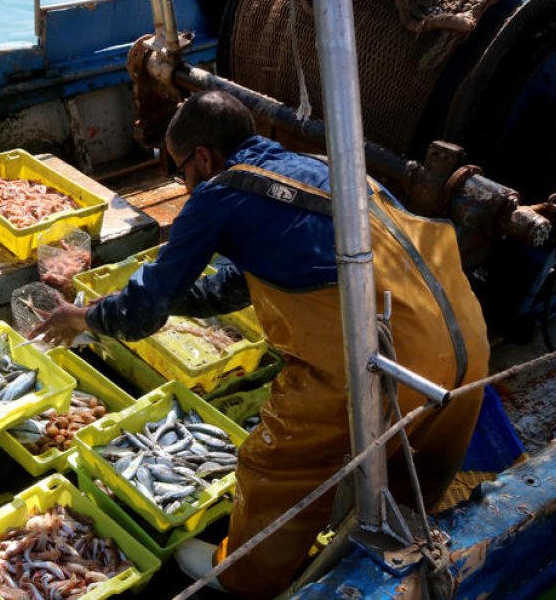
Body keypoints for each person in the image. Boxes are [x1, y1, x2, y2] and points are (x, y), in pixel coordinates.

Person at [34, 90, 488, 597]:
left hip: (385, 352)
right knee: (414, 468)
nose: (182, 184)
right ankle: (388, 560)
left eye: (177, 170)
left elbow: (141, 315)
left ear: (202, 158)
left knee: (272, 465)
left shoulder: (219, 193)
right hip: (465, 332)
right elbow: (232, 285)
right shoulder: (310, 165)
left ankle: (245, 576)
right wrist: (169, 294)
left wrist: (86, 318)